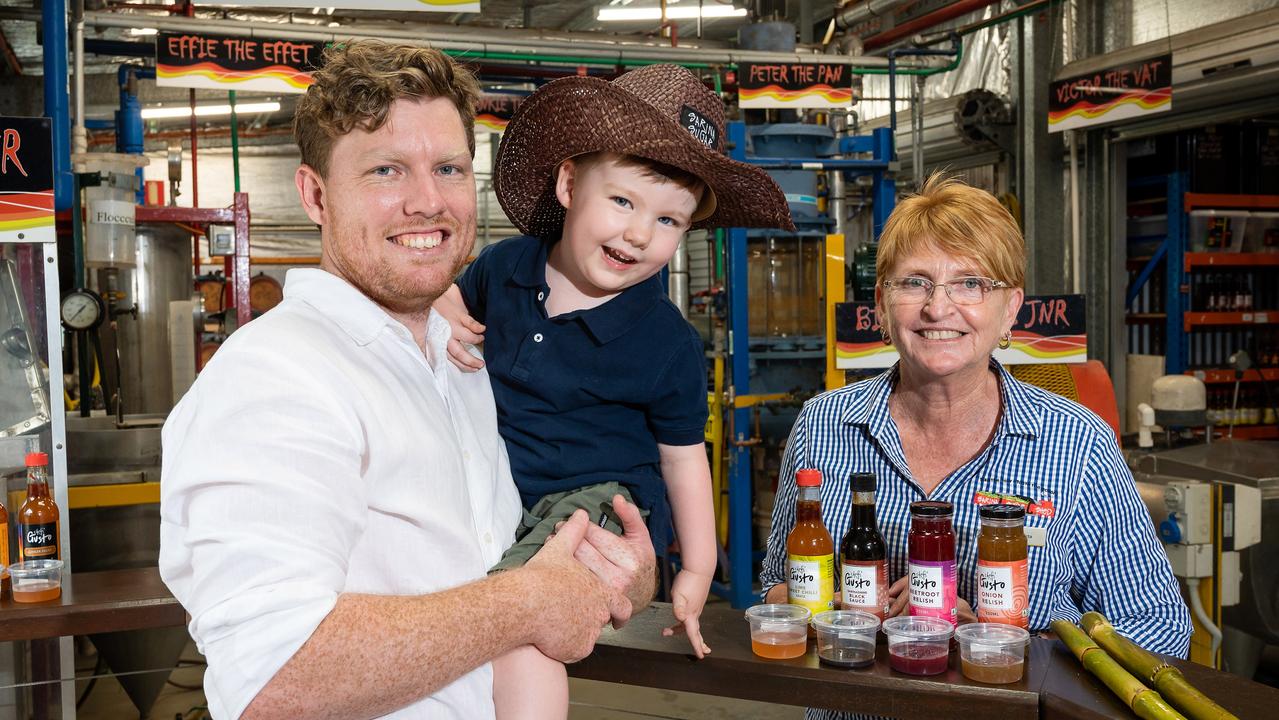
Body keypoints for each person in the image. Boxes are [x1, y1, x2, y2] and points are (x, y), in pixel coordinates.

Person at [159, 41, 656, 720]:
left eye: (448, 168)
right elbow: (273, 678)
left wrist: (619, 572)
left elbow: (502, 565)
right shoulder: (274, 376)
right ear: (314, 195)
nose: (427, 202)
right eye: (387, 169)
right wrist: (529, 601)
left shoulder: (458, 365)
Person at [432, 64, 793, 718]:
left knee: (521, 618)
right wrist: (441, 306)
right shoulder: (505, 267)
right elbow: (451, 298)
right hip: (493, 492)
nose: (637, 234)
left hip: (593, 500)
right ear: (569, 183)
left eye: (667, 221)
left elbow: (684, 460)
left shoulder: (666, 343)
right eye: (622, 201)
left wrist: (695, 571)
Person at [760, 175, 1192, 720]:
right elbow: (777, 582)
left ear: (1011, 309)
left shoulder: (1078, 443)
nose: (939, 308)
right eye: (914, 282)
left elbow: (1157, 629)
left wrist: (999, 638)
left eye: (970, 284)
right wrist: (824, 609)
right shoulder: (824, 426)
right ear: (880, 303)